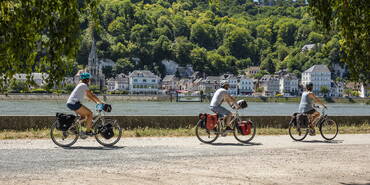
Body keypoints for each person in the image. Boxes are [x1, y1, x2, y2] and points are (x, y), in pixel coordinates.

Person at [66, 72, 104, 137]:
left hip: (71, 103)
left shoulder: (80, 85)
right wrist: (100, 102)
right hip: (74, 103)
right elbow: (91, 95)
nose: (89, 80)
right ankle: (88, 131)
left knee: (83, 117)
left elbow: (89, 96)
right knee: (90, 114)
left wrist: (97, 102)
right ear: (87, 79)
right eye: (88, 79)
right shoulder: (83, 85)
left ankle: (73, 127)